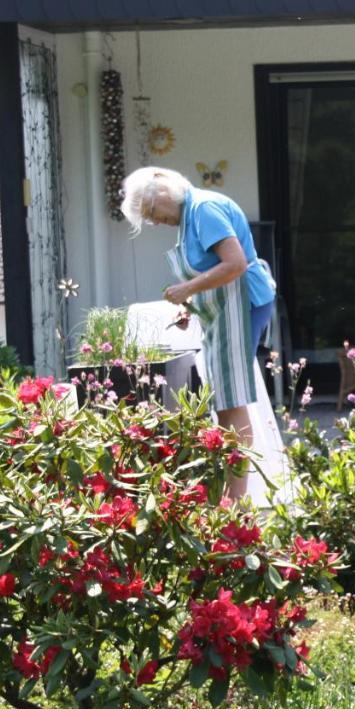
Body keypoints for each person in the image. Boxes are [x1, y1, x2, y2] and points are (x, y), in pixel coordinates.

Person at [120, 166, 276, 501]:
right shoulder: (190, 216)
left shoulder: (203, 210)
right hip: (224, 309)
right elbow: (210, 267)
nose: (155, 222)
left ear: (161, 192)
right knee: (223, 397)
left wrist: (187, 288)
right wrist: (190, 304)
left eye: (150, 213)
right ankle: (231, 496)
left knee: (230, 398)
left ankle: (235, 502)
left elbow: (235, 265)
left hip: (243, 304)